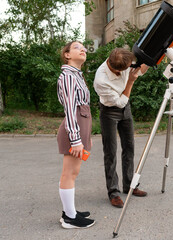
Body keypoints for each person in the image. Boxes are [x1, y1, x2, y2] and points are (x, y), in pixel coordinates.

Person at [94, 48, 149, 208]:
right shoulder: (101, 80)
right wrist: (130, 81)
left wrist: (150, 61)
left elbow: (140, 70)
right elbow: (119, 102)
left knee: (129, 148)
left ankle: (130, 185)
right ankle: (113, 192)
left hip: (126, 109)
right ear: (117, 68)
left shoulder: (123, 59)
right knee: (110, 152)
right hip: (110, 111)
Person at [56, 41, 95, 228]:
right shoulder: (68, 77)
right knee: (69, 172)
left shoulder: (77, 76)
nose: (83, 50)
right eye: (77, 47)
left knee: (74, 171)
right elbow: (71, 110)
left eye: (84, 48)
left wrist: (87, 137)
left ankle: (68, 211)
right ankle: (69, 218)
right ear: (67, 55)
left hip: (81, 127)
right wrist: (76, 139)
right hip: (74, 128)